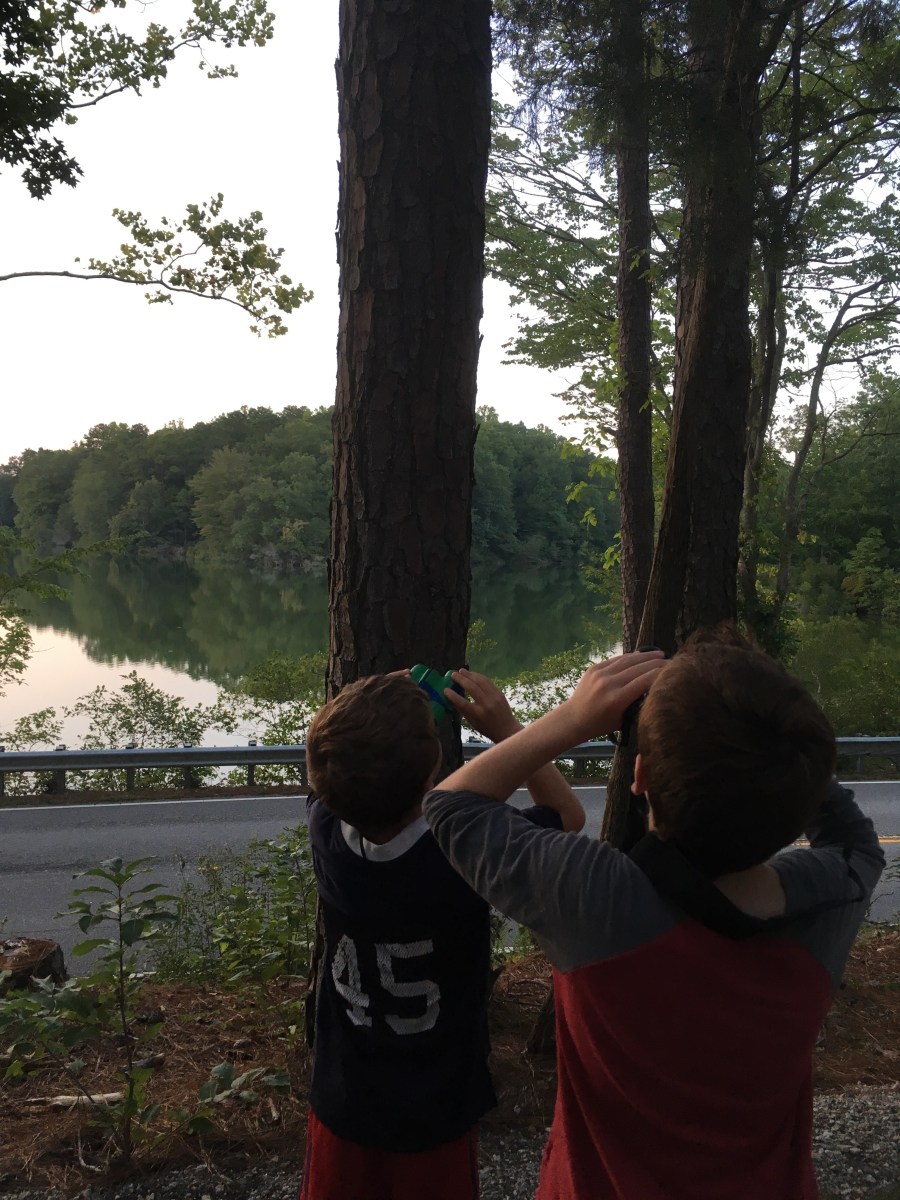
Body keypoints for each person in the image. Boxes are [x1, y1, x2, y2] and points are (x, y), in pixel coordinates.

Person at [425, 633, 886, 1200]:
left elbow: (451, 806)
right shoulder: (825, 904)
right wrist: (771, 745)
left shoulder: (598, 902)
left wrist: (569, 720)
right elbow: (855, 842)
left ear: (639, 776)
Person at [300, 670, 585, 1200]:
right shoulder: (462, 853)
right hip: (434, 1112)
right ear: (433, 764)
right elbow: (568, 815)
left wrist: (373, 702)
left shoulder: (326, 831)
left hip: (344, 1100)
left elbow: (330, 767)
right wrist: (510, 732)